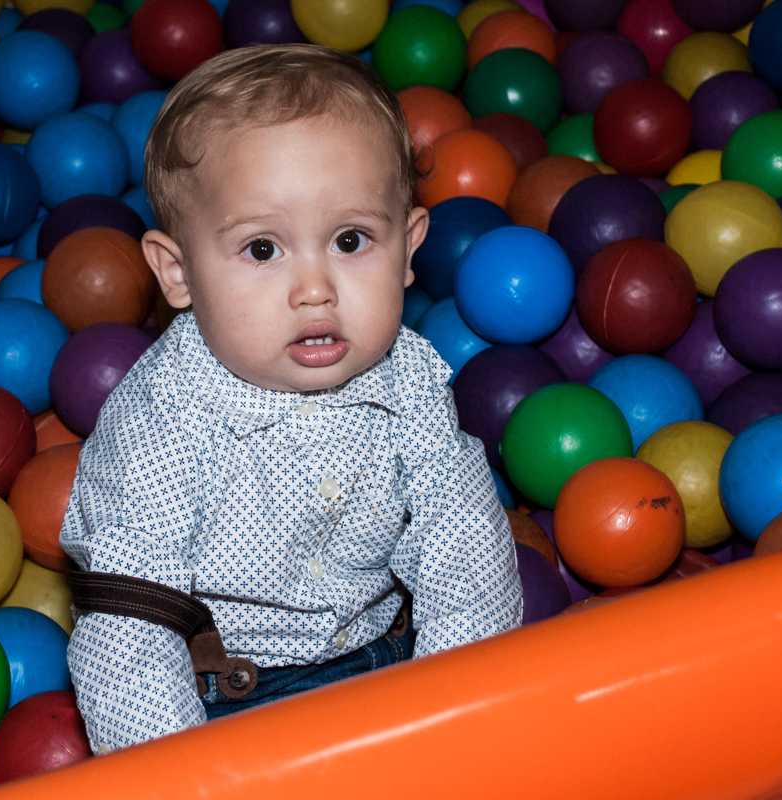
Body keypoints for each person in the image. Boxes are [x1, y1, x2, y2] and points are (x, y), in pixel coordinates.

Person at [59, 43, 522, 753]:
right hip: (225, 697)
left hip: (391, 661)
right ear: (178, 273)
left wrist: (453, 711)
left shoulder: (410, 381)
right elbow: (131, 622)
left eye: (350, 239)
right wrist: (174, 770)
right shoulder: (161, 422)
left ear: (408, 249)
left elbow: (465, 552)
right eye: (262, 250)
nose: (314, 289)